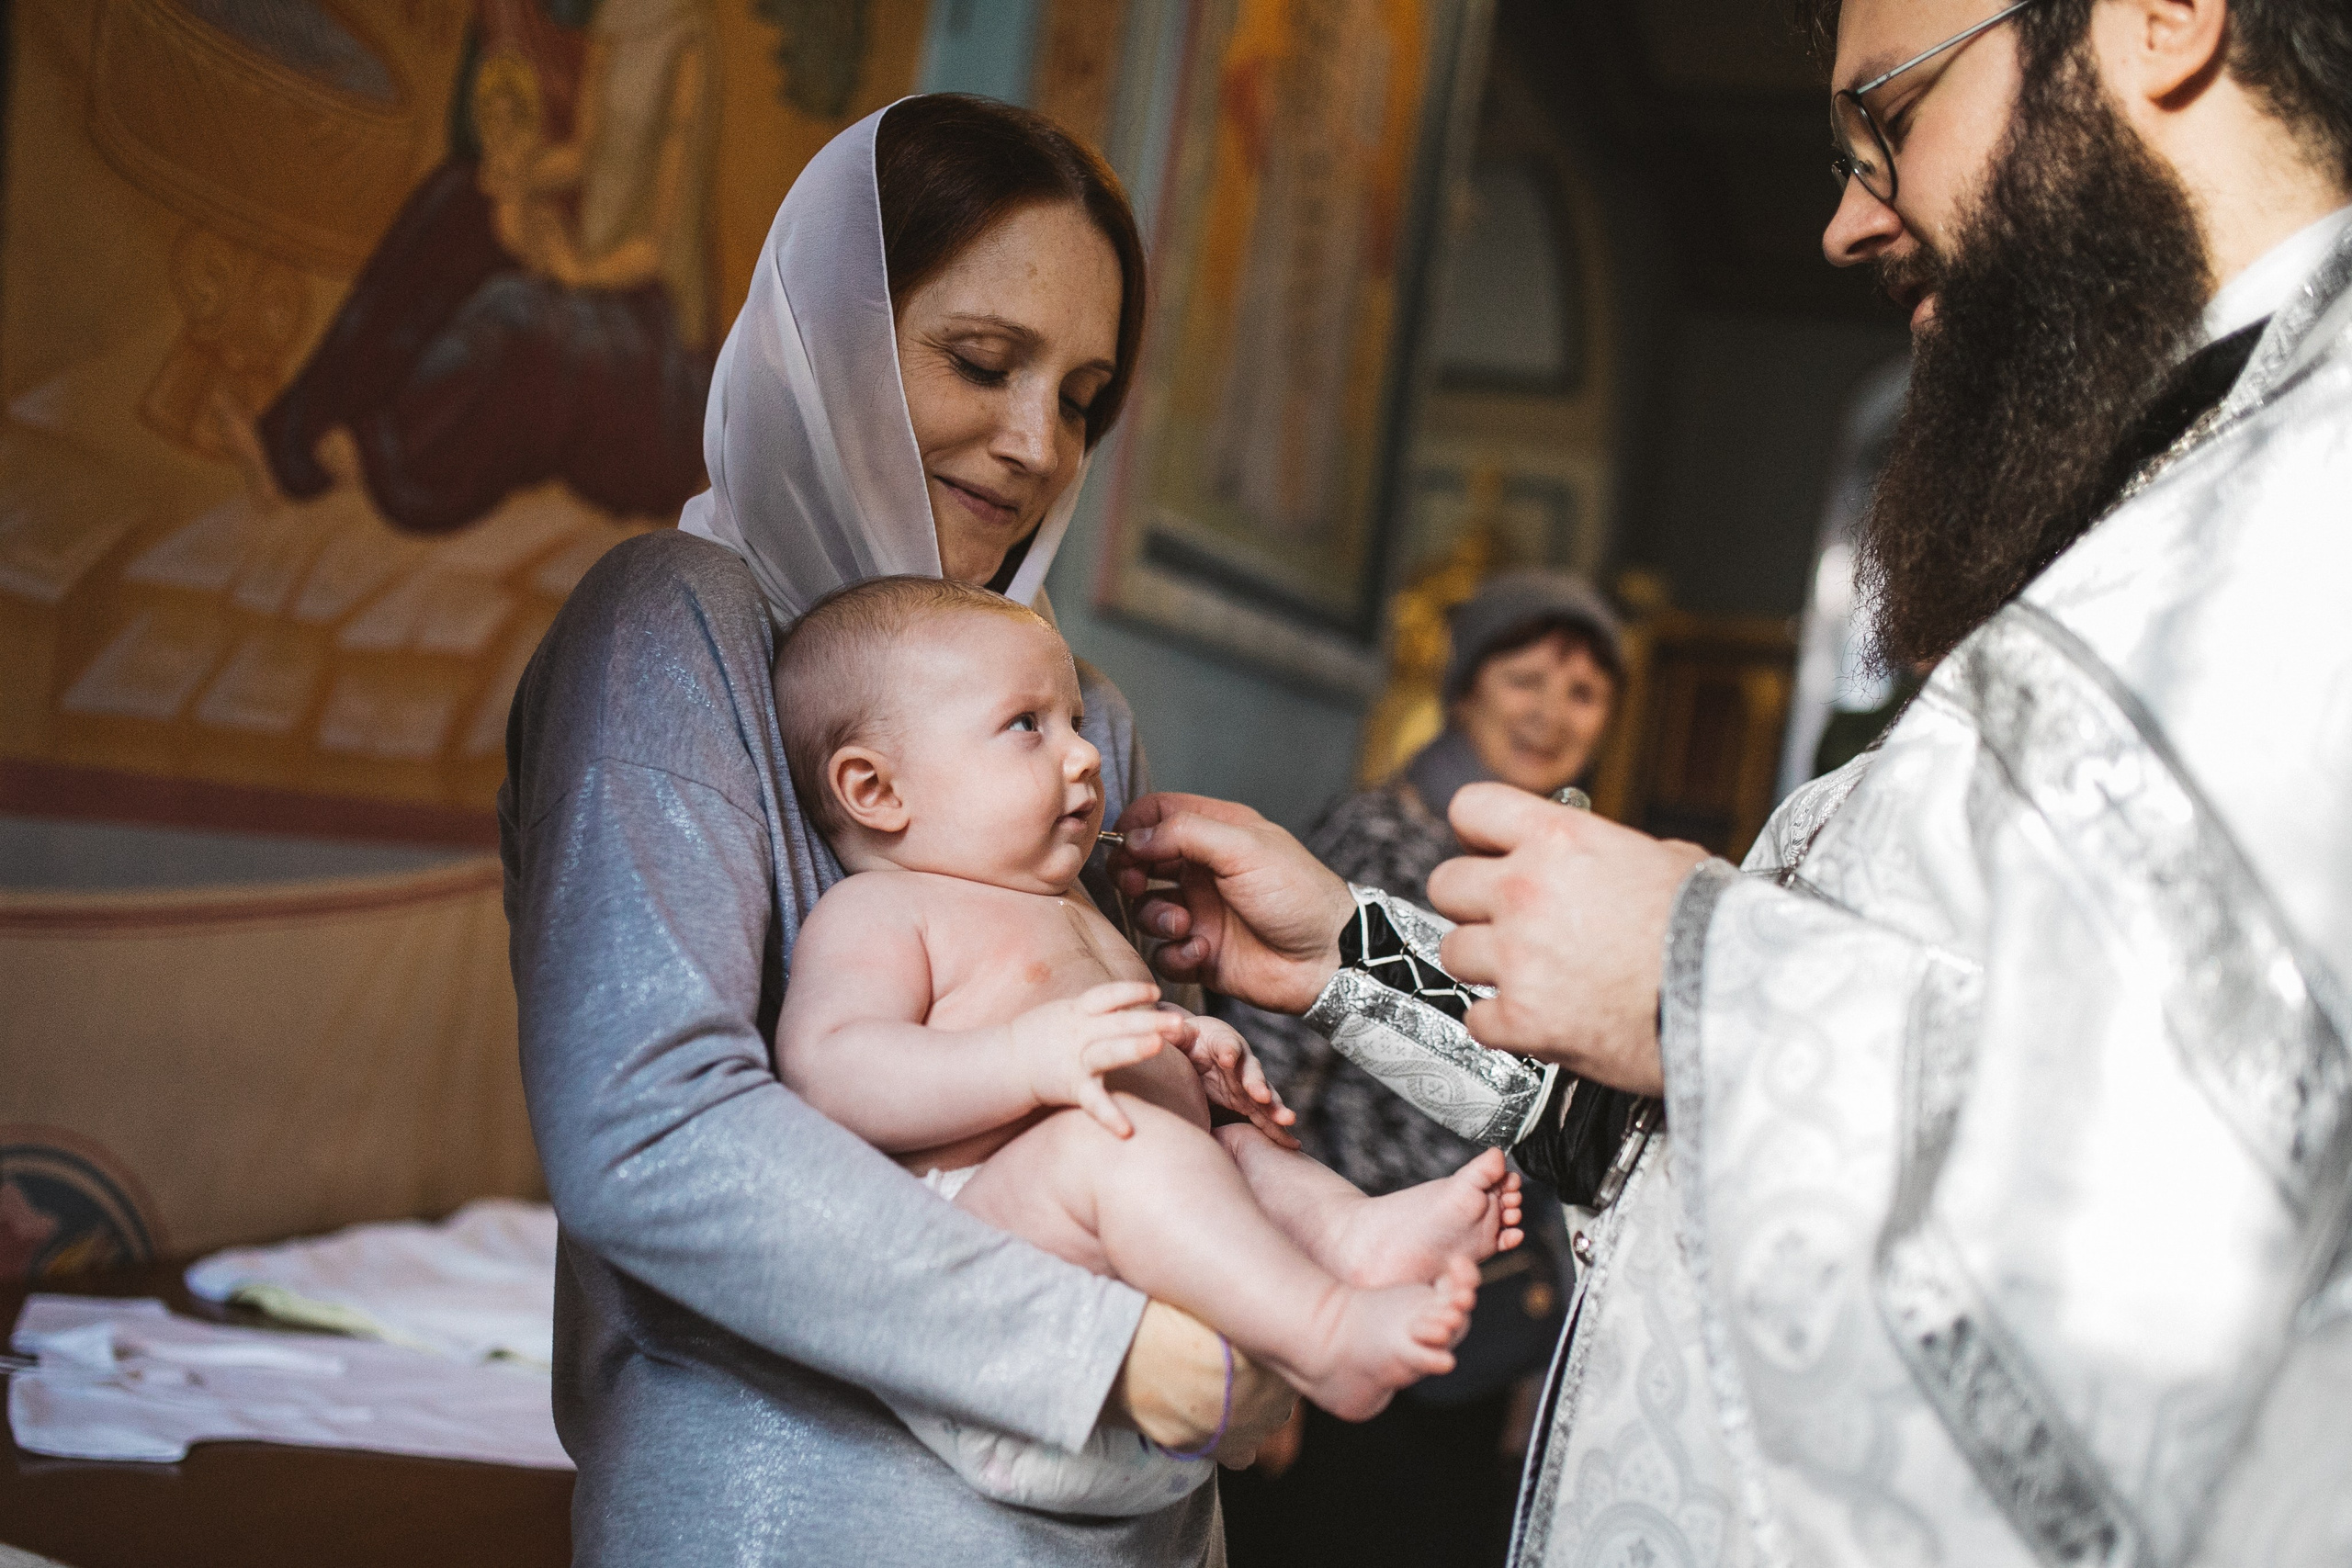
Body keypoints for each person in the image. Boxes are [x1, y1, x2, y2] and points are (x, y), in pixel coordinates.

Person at [1107, 2, 2352, 1563]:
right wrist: (1344, 962)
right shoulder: (2173, 495)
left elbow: (2197, 1236)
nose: (1844, 221)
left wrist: (1701, 965)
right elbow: (1702, 1127)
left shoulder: (2312, 507)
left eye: (1886, 122)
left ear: (2163, 19)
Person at [501, 97, 1298, 1564]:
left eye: (1082, 398)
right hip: (800, 1515)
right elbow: (654, 1126)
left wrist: (1285, 1277)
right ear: (835, 344)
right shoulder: (677, 628)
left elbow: (1130, 1098)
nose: (1034, 444)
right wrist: (1105, 1347)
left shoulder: (1079, 711)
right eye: (984, 363)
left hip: (1129, 1512)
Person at [771, 575, 1522, 1514]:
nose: (1085, 756)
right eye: (1026, 725)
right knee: (1110, 1145)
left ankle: (1351, 1237)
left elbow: (1126, 1058)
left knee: (1241, 1145)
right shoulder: (882, 910)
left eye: (1074, 719)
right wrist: (1023, 1060)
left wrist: (1190, 1052)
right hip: (1000, 1316)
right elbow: (830, 1069)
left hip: (1140, 1337)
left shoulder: (1069, 901)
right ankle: (1324, 1332)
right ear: (874, 789)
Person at [1216, 570, 1620, 1568]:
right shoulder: (1378, 833)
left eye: (1582, 692)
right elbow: (1265, 1076)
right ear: (1465, 686)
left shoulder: (1553, 872)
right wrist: (1278, 1330)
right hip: (1349, 1290)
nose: (1549, 714)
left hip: (1471, 1311)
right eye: (1524, 679)